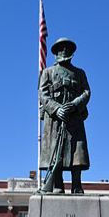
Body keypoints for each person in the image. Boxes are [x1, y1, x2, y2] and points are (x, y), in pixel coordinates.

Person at [39, 38, 90, 193]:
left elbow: (86, 92)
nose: (64, 51)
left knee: (77, 150)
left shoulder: (80, 73)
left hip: (74, 117)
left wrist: (74, 105)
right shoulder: (48, 72)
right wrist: (56, 109)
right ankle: (57, 185)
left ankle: (77, 185)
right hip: (55, 119)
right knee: (56, 151)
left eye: (67, 48)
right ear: (56, 52)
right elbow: (42, 94)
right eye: (61, 48)